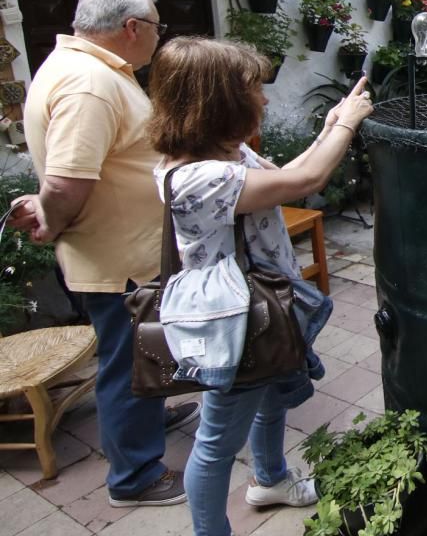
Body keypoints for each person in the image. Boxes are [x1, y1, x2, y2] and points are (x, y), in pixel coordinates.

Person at [145, 38, 374, 536]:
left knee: (272, 398)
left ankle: (270, 480)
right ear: (218, 100)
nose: (263, 99)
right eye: (252, 89)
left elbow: (294, 177)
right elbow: (304, 181)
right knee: (216, 442)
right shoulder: (197, 178)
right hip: (234, 319)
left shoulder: (228, 152)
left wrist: (333, 125)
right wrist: (351, 124)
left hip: (265, 306)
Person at [13, 0, 198, 507]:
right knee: (127, 364)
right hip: (117, 262)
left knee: (142, 356)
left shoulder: (90, 70)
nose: (159, 38)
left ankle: (148, 421)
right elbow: (68, 181)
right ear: (132, 28)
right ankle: (134, 477)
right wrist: (51, 219)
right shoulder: (89, 83)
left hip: (125, 255)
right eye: (157, 28)